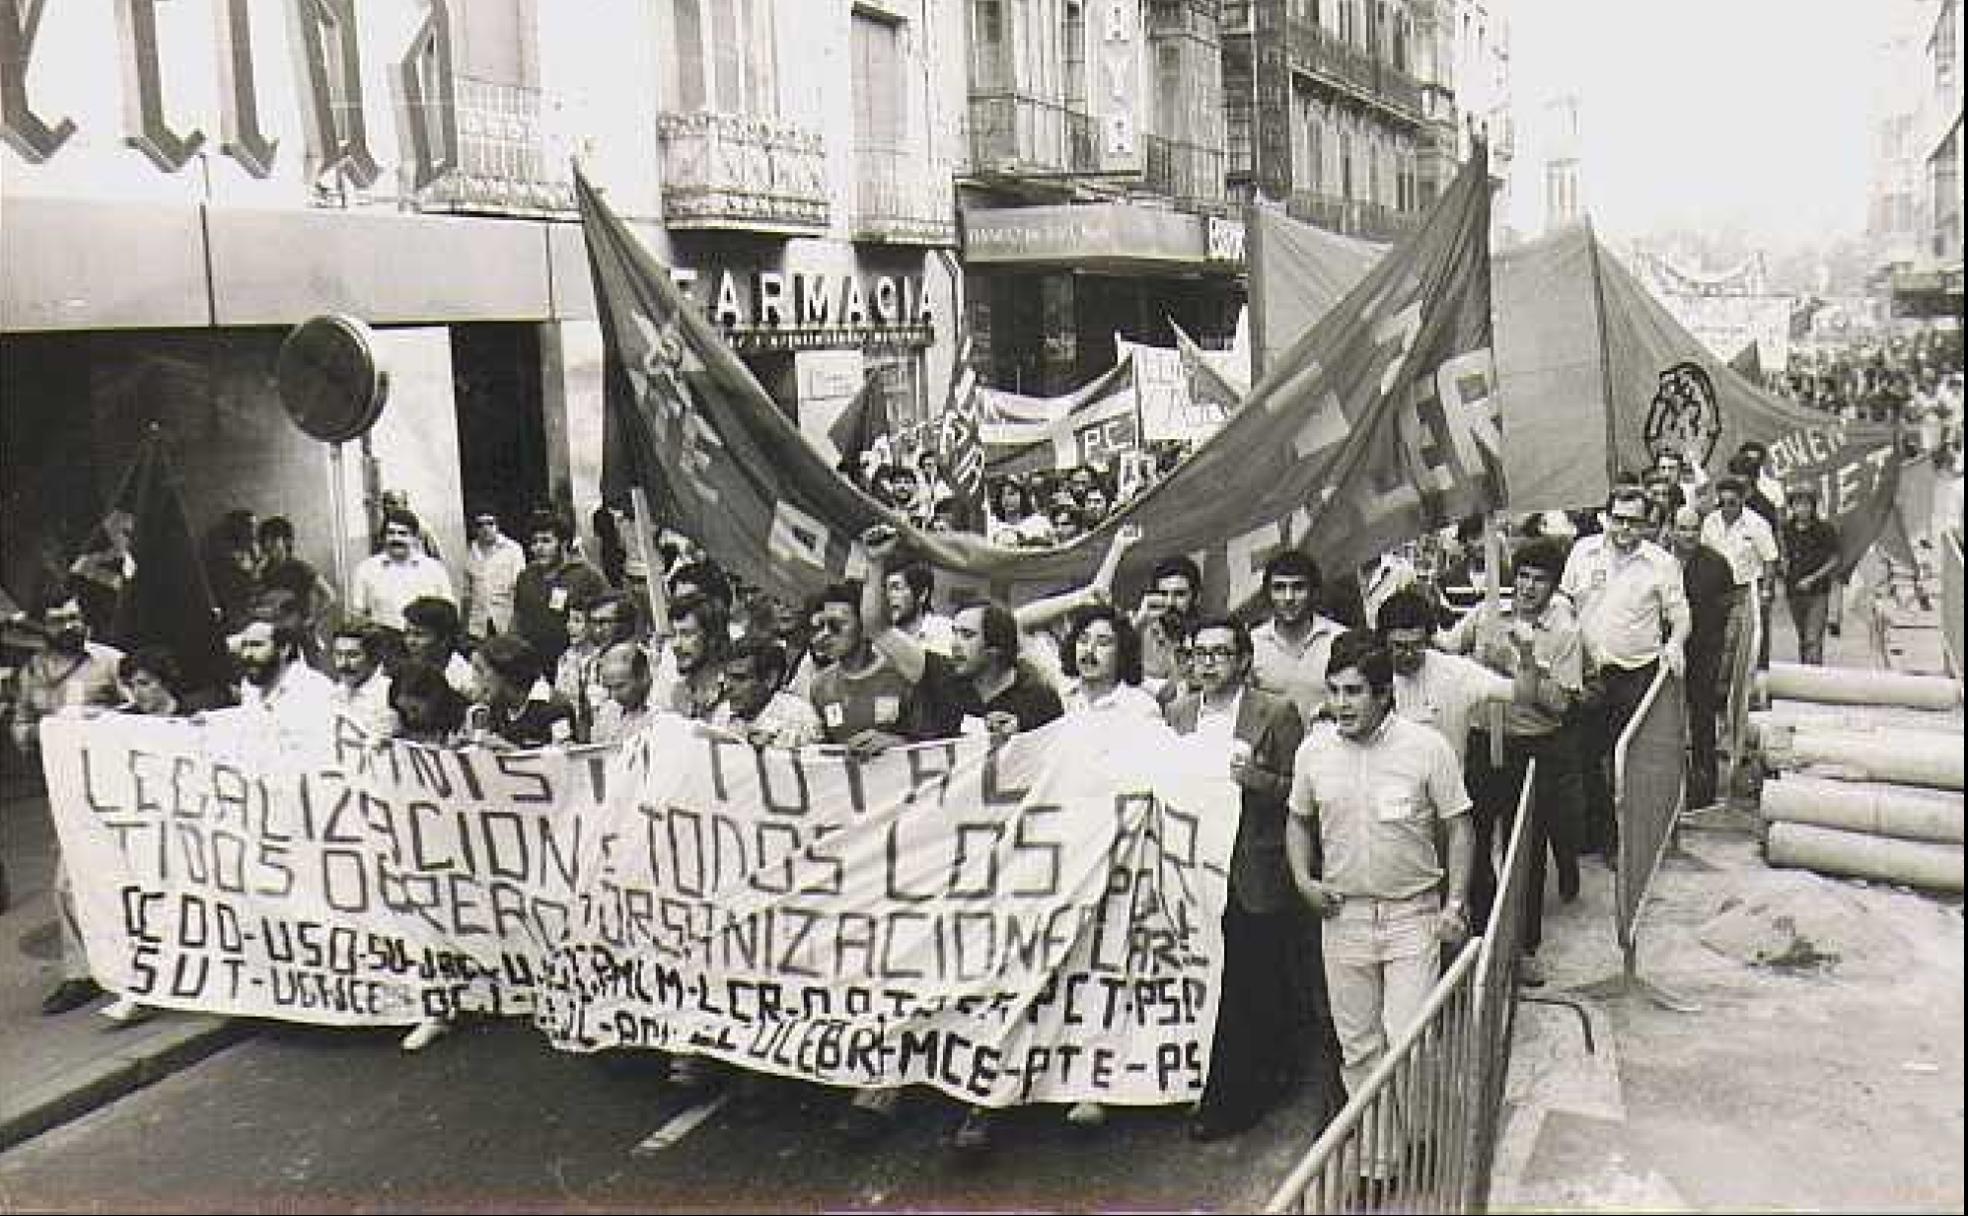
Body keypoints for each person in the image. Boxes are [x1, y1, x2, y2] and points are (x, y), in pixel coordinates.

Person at [1285, 631, 1474, 1193]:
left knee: (1406, 1039)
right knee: (1359, 1046)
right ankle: (1378, 1162)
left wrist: (1456, 903)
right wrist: (1303, 880)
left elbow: (1460, 824)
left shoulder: (1426, 748)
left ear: (1384, 694)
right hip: (1342, 918)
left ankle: (1419, 1134)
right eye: (1335, 690)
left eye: (1354, 692)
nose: (1341, 704)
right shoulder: (1313, 750)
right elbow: (1297, 819)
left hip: (1413, 915)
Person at [1163, 616, 1306, 1141]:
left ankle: (1240, 1096)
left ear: (1244, 660)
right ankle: (1212, 1080)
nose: (1209, 663)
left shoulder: (1277, 712)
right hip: (1193, 871)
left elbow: (1299, 792)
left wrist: (1255, 780)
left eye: (1221, 653)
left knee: (1250, 983)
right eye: (1200, 653)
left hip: (1252, 869)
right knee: (1210, 981)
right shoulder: (1176, 713)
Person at [1441, 540, 1586, 985]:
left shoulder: (1564, 632)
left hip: (1534, 746)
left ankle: (1524, 947)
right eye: (1522, 575)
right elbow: (1447, 648)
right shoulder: (1488, 615)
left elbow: (1561, 703)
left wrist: (1526, 665)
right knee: (1476, 837)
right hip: (1486, 741)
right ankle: (1481, 936)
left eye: (1538, 579)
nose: (1527, 586)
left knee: (1526, 847)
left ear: (1553, 586)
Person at [12, 586, 125, 1016]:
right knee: (68, 882)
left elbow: (142, 706)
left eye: (75, 617)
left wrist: (100, 723)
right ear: (45, 626)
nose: (70, 626)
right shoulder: (33, 673)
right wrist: (35, 734)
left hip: (113, 790)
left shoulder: (109, 662)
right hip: (66, 793)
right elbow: (21, 718)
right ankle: (81, 973)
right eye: (60, 620)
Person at [1561, 485, 1690, 859]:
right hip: (1588, 673)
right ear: (1606, 516)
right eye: (1618, 519)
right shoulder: (1582, 552)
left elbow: (1679, 615)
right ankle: (1599, 834)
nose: (1624, 529)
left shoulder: (1662, 563)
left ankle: (1628, 844)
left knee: (1629, 760)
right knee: (1585, 756)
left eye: (1634, 522)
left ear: (1647, 524)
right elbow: (1565, 604)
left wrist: (1676, 642)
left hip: (1637, 673)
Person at [1667, 506, 1737, 811]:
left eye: (1694, 529)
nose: (1689, 535)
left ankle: (1703, 784)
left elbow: (1729, 608)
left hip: (1705, 651)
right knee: (1666, 718)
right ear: (1672, 530)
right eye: (1683, 529)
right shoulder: (1658, 562)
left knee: (1702, 717)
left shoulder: (1716, 564)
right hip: (1667, 652)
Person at [1250, 550, 1352, 727]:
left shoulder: (1341, 638)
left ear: (1313, 592)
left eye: (1298, 587)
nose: (1289, 598)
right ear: (1267, 594)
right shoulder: (1252, 643)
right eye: (1279, 588)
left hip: (1330, 746)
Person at [510, 509, 609, 670]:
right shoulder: (526, 577)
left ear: (563, 544)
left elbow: (606, 620)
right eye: (534, 542)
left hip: (575, 663)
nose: (538, 548)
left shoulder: (587, 576)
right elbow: (517, 619)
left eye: (546, 541)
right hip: (534, 664)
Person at [1701, 476, 1780, 674]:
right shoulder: (1710, 522)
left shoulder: (1757, 524)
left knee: (1737, 639)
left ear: (1742, 501)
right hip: (1716, 591)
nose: (1727, 508)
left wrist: (1766, 592)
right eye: (1722, 503)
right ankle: (1721, 684)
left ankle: (1735, 687)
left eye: (1732, 503)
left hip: (1745, 590)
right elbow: (1703, 553)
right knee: (1718, 639)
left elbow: (1770, 559)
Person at [349, 507, 455, 634]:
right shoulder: (366, 570)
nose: (396, 538)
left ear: (415, 538)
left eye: (403, 534)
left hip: (425, 646)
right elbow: (358, 615)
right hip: (385, 648)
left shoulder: (434, 569)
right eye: (391, 533)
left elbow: (448, 613)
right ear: (383, 537)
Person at [467, 633, 579, 750]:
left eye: (480, 671)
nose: (474, 678)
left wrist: (514, 751)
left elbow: (565, 761)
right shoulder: (495, 708)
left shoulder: (554, 707)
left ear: (507, 672)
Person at [707, 635, 823, 749]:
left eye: (740, 678)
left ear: (770, 679)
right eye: (727, 677)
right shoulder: (722, 714)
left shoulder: (800, 717)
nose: (728, 686)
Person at [1058, 605, 1162, 721]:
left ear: (1121, 652)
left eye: (1102, 643)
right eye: (1083, 640)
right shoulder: (1061, 697)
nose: (1089, 650)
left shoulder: (1141, 707)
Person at [1779, 484, 1841, 666]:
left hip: (1817, 592)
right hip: (1794, 592)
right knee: (1803, 637)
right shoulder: (1786, 530)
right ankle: (1805, 678)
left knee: (1813, 639)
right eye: (1798, 504)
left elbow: (1834, 558)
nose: (1802, 509)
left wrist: (1813, 578)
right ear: (1792, 507)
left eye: (1806, 504)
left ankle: (1814, 679)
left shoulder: (1824, 529)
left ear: (1813, 506)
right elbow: (1782, 555)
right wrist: (1782, 567)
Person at [256, 517, 336, 652]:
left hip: (302, 636)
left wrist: (312, 620)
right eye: (265, 540)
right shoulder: (263, 571)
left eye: (274, 539)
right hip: (275, 635)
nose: (268, 545)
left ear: (287, 541)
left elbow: (330, 596)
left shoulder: (300, 568)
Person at [462, 507, 525, 641]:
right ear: (474, 529)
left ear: (498, 525)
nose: (485, 529)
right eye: (480, 525)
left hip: (505, 621)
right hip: (478, 624)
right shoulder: (470, 552)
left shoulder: (513, 550)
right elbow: (467, 594)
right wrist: (463, 627)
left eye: (490, 523)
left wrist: (516, 624)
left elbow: (521, 588)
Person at [327, 623, 400, 738]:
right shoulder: (334, 692)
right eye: (338, 654)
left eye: (353, 655)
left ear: (374, 657)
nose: (343, 663)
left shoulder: (390, 694)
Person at [402, 596, 477, 700]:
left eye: (419, 635)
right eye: (407, 633)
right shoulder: (402, 671)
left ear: (445, 639)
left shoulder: (466, 682)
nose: (410, 641)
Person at [588, 641, 655, 745]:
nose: (614, 695)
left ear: (642, 677)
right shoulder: (607, 713)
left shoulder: (658, 719)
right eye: (609, 688)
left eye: (620, 686)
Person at [883, 559, 954, 656]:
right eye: (884, 589)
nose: (887, 596)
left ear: (922, 594)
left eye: (896, 588)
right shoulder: (881, 638)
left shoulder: (946, 632)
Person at [389, 660, 468, 747]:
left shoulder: (467, 720)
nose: (410, 717)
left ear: (435, 698)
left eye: (414, 709)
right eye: (403, 711)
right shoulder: (407, 723)